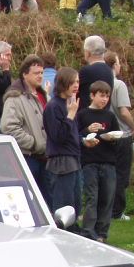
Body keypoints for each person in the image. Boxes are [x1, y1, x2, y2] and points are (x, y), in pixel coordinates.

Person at [76, 80, 121, 241]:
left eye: (107, 96)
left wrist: (111, 138)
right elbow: (76, 135)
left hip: (108, 161)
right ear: (92, 95)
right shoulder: (82, 114)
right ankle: (88, 231)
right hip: (90, 162)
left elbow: (117, 136)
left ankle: (102, 232)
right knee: (92, 197)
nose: (104, 99)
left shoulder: (109, 116)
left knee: (107, 198)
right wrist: (87, 131)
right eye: (101, 96)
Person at [1, 54, 49, 201]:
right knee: (30, 201)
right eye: (36, 73)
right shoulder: (14, 97)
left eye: (41, 73)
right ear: (24, 74)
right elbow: (8, 127)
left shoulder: (42, 95)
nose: (40, 76)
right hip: (27, 157)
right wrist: (33, 143)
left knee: (46, 201)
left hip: (45, 157)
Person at [43, 67, 82, 214]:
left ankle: (76, 234)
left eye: (77, 81)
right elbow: (58, 136)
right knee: (64, 208)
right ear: (63, 83)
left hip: (74, 159)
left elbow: (71, 134)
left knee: (76, 205)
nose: (76, 85)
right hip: (61, 162)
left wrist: (83, 140)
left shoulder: (69, 104)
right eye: (72, 82)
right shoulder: (53, 106)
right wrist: (71, 115)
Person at [104, 52, 134, 222]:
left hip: (105, 134)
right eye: (118, 63)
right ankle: (117, 211)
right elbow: (124, 111)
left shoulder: (99, 84)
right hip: (121, 134)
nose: (120, 66)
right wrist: (133, 126)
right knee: (121, 174)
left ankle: (106, 208)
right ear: (113, 65)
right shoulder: (118, 84)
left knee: (107, 173)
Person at [78, 35, 113, 110]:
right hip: (105, 115)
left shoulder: (86, 71)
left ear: (88, 53)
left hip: (87, 116)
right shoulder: (109, 70)